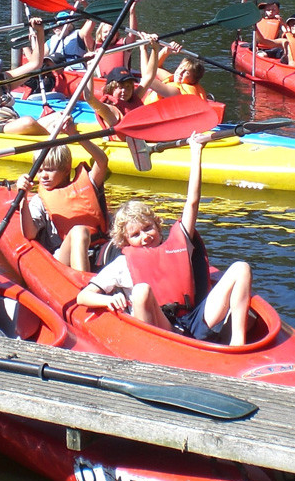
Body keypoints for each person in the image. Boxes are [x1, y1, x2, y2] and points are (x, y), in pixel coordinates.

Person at [77, 132, 253, 347]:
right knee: (142, 290)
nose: (144, 237)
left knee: (241, 268)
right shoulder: (122, 265)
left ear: (159, 228)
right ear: (125, 241)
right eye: (135, 234)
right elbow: (83, 297)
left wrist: (196, 151)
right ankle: (152, 347)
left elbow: (192, 202)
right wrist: (108, 299)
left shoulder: (179, 245)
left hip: (192, 320)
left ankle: (237, 342)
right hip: (159, 328)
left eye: (148, 228)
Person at [15, 117, 112, 272]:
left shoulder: (87, 183)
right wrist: (23, 198)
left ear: (66, 169)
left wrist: (74, 134)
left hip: (97, 249)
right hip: (61, 257)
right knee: (79, 231)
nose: (43, 176)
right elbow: (30, 233)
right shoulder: (39, 201)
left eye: (50, 170)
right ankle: (83, 284)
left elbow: (102, 161)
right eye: (39, 170)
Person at [140, 40, 210, 100]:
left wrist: (143, 49)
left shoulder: (177, 92)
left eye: (186, 72)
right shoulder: (176, 79)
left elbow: (147, 79)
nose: (180, 72)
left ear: (194, 80)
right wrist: (166, 51)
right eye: (180, 68)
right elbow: (156, 67)